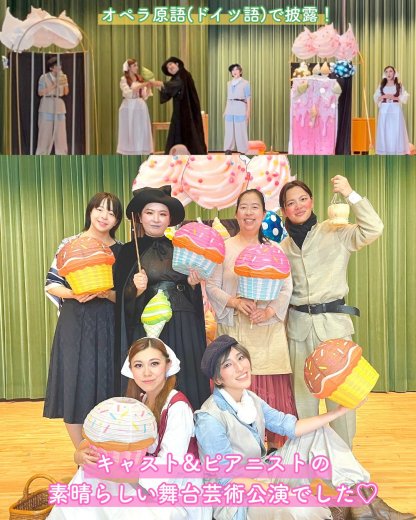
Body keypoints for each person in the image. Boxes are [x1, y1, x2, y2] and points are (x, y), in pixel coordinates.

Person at [195, 335, 415, 520]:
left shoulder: (249, 398)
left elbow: (290, 426)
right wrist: (276, 491)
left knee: (317, 432)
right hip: (237, 500)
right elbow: (227, 480)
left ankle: (366, 504)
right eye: (227, 365)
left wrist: (338, 412)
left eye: (240, 357)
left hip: (262, 473)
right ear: (218, 379)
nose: (240, 367)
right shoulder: (210, 418)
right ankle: (337, 511)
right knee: (303, 508)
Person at [49, 337, 211, 520]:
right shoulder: (139, 402)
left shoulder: (178, 407)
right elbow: (110, 440)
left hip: (174, 492)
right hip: (143, 481)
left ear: (167, 365)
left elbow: (168, 469)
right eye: (139, 365)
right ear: (131, 370)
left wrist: (113, 474)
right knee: (86, 479)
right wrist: (80, 456)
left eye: (154, 363)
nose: (147, 373)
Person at [278, 175, 383, 449]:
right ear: (284, 210)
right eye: (291, 203)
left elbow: (374, 228)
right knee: (303, 401)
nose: (298, 206)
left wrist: (350, 194)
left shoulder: (335, 230)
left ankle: (344, 461)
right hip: (298, 328)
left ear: (312, 201)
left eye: (303, 199)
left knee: (342, 399)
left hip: (334, 326)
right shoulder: (283, 248)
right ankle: (309, 459)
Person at [206, 189, 297, 450]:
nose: (249, 212)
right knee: (237, 392)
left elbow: (286, 288)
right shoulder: (223, 248)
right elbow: (211, 286)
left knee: (271, 399)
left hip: (267, 335)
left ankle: (274, 454)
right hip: (235, 333)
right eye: (243, 207)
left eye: (255, 207)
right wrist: (234, 302)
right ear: (236, 213)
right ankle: (240, 453)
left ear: (264, 214)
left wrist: (268, 311)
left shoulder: (275, 249)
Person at [114, 185, 211, 410]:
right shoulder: (128, 252)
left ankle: (187, 424)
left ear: (170, 219)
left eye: (162, 214)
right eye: (150, 213)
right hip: (148, 326)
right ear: (140, 217)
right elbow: (121, 302)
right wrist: (135, 290)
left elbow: (192, 294)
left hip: (183, 323)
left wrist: (192, 284)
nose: (156, 219)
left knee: (185, 374)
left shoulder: (182, 248)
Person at [43, 193, 123, 448]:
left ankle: (106, 448)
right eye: (99, 209)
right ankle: (82, 452)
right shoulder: (70, 244)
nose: (104, 216)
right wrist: (74, 294)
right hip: (75, 322)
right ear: (90, 211)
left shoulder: (122, 250)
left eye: (111, 212)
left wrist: (108, 294)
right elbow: (51, 284)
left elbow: (127, 296)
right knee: (75, 382)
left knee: (109, 383)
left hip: (109, 323)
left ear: (117, 220)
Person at [151, 57, 207, 154]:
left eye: (170, 64)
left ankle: (192, 154)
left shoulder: (183, 74)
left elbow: (177, 84)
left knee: (189, 131)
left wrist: (161, 84)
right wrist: (160, 86)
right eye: (168, 68)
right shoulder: (176, 78)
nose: (169, 68)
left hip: (189, 110)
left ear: (177, 64)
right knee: (178, 130)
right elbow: (170, 91)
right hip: (180, 110)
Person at [116, 58, 153, 155]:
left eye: (137, 65)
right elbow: (128, 93)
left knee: (140, 130)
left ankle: (140, 150)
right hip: (128, 107)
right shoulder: (124, 79)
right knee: (129, 130)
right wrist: (143, 85)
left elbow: (144, 96)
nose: (137, 67)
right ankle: (129, 152)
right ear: (129, 68)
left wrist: (148, 87)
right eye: (134, 66)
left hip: (140, 107)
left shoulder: (140, 79)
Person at [36, 55, 69, 155]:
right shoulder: (44, 77)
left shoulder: (63, 77)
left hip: (59, 105)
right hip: (47, 105)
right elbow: (40, 92)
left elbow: (66, 92)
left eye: (60, 65)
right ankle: (42, 155)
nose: (59, 67)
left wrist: (65, 83)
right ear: (51, 68)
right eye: (57, 66)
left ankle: (62, 155)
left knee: (61, 135)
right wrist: (54, 85)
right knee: (45, 135)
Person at [374, 65, 410, 155]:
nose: (388, 73)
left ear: (394, 73)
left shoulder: (399, 85)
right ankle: (384, 151)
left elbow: (404, 96)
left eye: (390, 71)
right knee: (384, 129)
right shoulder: (381, 85)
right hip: (384, 110)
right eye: (386, 71)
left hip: (395, 109)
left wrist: (394, 97)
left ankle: (397, 151)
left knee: (396, 129)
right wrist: (384, 96)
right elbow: (376, 97)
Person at [224, 64, 251, 154]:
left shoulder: (245, 83)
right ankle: (228, 149)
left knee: (241, 129)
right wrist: (225, 110)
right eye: (232, 70)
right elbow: (228, 98)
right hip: (230, 108)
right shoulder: (228, 83)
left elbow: (248, 98)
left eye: (236, 69)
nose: (234, 71)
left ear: (240, 71)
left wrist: (248, 111)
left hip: (240, 107)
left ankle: (243, 150)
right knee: (229, 130)